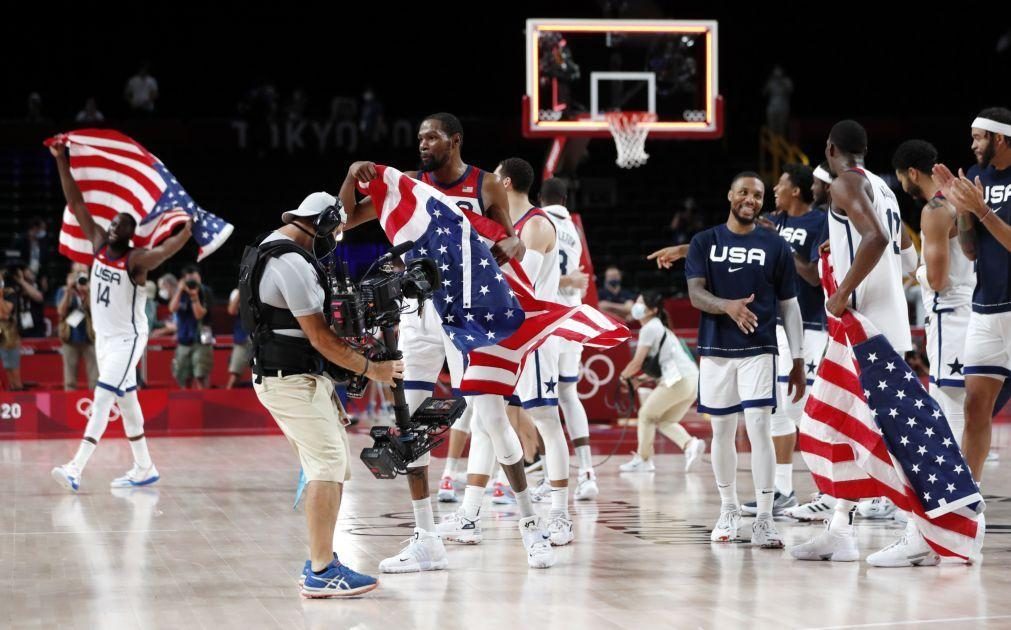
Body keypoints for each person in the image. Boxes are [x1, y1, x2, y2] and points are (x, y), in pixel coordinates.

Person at [339, 112, 555, 572]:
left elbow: (513, 241)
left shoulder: (486, 186)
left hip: (468, 314)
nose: (422, 143)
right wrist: (350, 173)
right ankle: (426, 537)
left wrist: (513, 247)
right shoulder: (408, 189)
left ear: (454, 141)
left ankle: (532, 525)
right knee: (410, 425)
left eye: (431, 136)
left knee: (494, 421)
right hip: (419, 316)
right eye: (418, 136)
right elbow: (344, 221)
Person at [242, 191, 401, 597]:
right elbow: (320, 338)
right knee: (328, 466)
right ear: (316, 224)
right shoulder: (290, 262)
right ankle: (321, 570)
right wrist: (372, 368)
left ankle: (320, 557)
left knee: (324, 467)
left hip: (288, 376)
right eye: (332, 228)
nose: (335, 236)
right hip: (289, 380)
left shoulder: (269, 246)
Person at [790, 120, 928, 567]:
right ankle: (840, 529)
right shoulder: (882, 188)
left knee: (888, 434)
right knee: (836, 425)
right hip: (872, 326)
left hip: (865, 329)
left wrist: (842, 291)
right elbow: (907, 253)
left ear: (830, 149)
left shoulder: (845, 184)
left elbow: (877, 237)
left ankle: (919, 532)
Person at [48, 139, 192, 492]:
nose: (114, 226)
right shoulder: (98, 244)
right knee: (127, 403)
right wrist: (61, 160)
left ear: (131, 235)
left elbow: (164, 251)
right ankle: (144, 466)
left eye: (122, 225)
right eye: (113, 222)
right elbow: (76, 202)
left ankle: (75, 467)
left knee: (102, 396)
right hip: (105, 339)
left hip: (129, 338)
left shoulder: (136, 260)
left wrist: (186, 230)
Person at [685, 171, 806, 549]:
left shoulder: (776, 245)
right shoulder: (705, 241)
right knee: (721, 432)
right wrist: (728, 307)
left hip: (760, 349)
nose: (750, 199)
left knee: (759, 428)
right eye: (743, 192)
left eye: (756, 194)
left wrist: (798, 359)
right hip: (716, 350)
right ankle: (728, 508)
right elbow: (695, 294)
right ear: (730, 195)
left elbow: (789, 305)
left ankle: (766, 519)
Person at [742, 164, 826, 516]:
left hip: (809, 325)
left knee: (805, 410)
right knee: (777, 410)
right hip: (775, 323)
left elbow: (815, 277)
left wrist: (782, 249)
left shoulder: (819, 222)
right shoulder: (775, 221)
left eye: (781, 183)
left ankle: (830, 492)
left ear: (797, 190)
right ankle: (783, 490)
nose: (775, 187)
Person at [932, 107, 1011, 483]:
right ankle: (969, 498)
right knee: (976, 406)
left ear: (999, 138)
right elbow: (971, 251)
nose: (972, 144)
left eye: (978, 137)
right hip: (985, 310)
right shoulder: (976, 176)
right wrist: (963, 212)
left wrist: (980, 209)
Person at [497, 157, 574, 545]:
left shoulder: (537, 224)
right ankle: (473, 508)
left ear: (506, 182)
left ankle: (560, 514)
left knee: (546, 418)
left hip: (538, 334)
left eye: (494, 177)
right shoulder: (511, 225)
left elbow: (518, 281)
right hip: (511, 335)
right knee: (488, 419)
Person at [893, 140, 974, 449]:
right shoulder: (959, 201)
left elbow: (937, 280)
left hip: (949, 314)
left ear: (912, 173)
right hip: (969, 309)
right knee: (965, 406)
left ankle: (954, 489)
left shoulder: (935, 210)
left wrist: (917, 272)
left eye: (900, 177)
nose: (901, 185)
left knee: (948, 405)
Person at [541, 178, 599, 500]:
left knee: (543, 400)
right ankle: (587, 473)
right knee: (568, 393)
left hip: (548, 320)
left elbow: (539, 275)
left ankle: (553, 476)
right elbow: (577, 279)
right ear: (564, 199)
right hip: (573, 318)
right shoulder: (573, 230)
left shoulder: (537, 222)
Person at [618, 291, 706, 472]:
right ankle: (690, 444)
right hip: (691, 382)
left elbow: (637, 362)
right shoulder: (660, 328)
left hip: (679, 381)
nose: (636, 305)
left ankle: (643, 460)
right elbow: (662, 366)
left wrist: (624, 376)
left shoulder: (650, 328)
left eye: (640, 302)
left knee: (646, 415)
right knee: (665, 421)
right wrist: (640, 379)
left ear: (652, 310)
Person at [169, 264, 214, 389]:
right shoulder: (181, 293)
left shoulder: (205, 292)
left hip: (201, 341)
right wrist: (179, 290)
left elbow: (199, 315)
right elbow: (172, 308)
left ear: (200, 278)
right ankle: (187, 405)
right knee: (184, 377)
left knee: (201, 376)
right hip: (184, 340)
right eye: (189, 279)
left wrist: (194, 296)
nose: (192, 282)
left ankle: (205, 405)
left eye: (195, 278)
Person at [55, 263, 98, 391]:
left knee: (95, 378)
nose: (81, 275)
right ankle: (69, 406)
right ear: (71, 275)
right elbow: (61, 312)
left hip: (90, 337)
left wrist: (87, 293)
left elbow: (97, 311)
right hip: (70, 337)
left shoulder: (94, 289)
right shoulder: (63, 290)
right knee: (69, 380)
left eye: (83, 272)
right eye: (77, 273)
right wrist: (69, 291)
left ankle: (95, 408)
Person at [0, 270, 23, 390]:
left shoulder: (10, 293)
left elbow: (5, 313)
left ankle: (16, 390)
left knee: (12, 366)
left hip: (8, 333)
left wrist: (0, 295)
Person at [226, 287, 251, 388]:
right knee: (235, 374)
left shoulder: (261, 288)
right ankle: (228, 398)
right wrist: (242, 289)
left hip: (259, 339)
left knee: (259, 376)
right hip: (242, 339)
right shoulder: (236, 292)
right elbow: (232, 310)